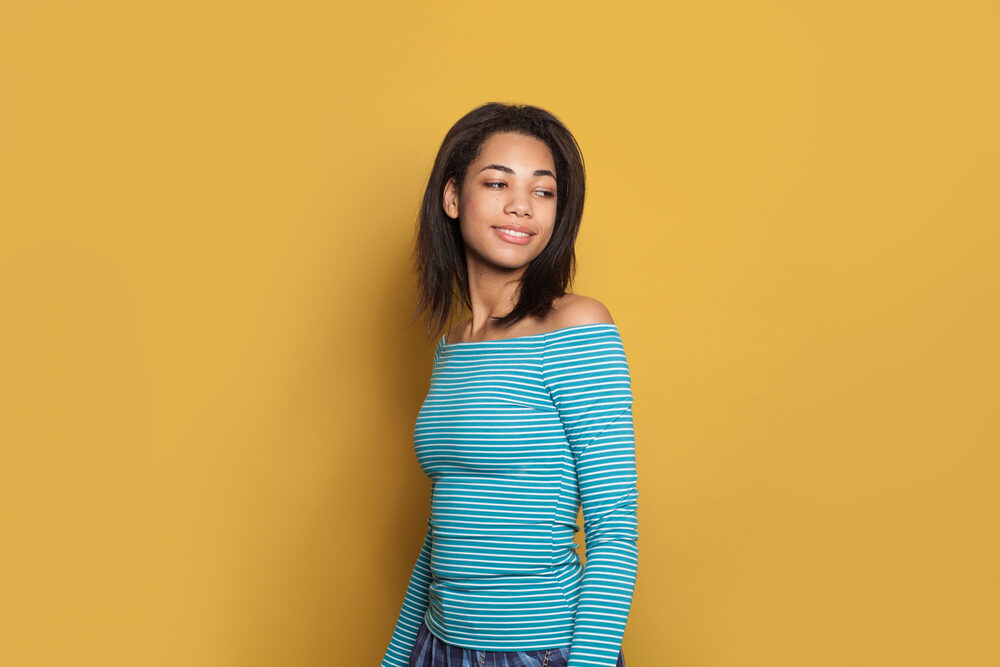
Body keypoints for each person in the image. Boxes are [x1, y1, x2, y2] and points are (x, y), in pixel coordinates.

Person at [381, 102, 638, 667]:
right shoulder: (454, 344)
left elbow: (614, 521)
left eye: (543, 191)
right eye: (497, 182)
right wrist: (399, 656)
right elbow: (446, 527)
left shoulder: (576, 326)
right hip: (439, 644)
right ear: (452, 198)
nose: (521, 205)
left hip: (538, 650)